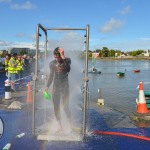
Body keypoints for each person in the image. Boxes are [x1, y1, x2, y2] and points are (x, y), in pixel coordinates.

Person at [45, 47, 71, 131]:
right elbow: (51, 76)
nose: (56, 59)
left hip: (65, 87)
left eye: (58, 57)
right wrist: (47, 86)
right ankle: (60, 126)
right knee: (56, 107)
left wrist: (63, 57)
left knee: (65, 106)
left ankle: (70, 124)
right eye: (55, 57)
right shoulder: (52, 63)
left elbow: (68, 69)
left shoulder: (67, 60)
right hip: (56, 87)